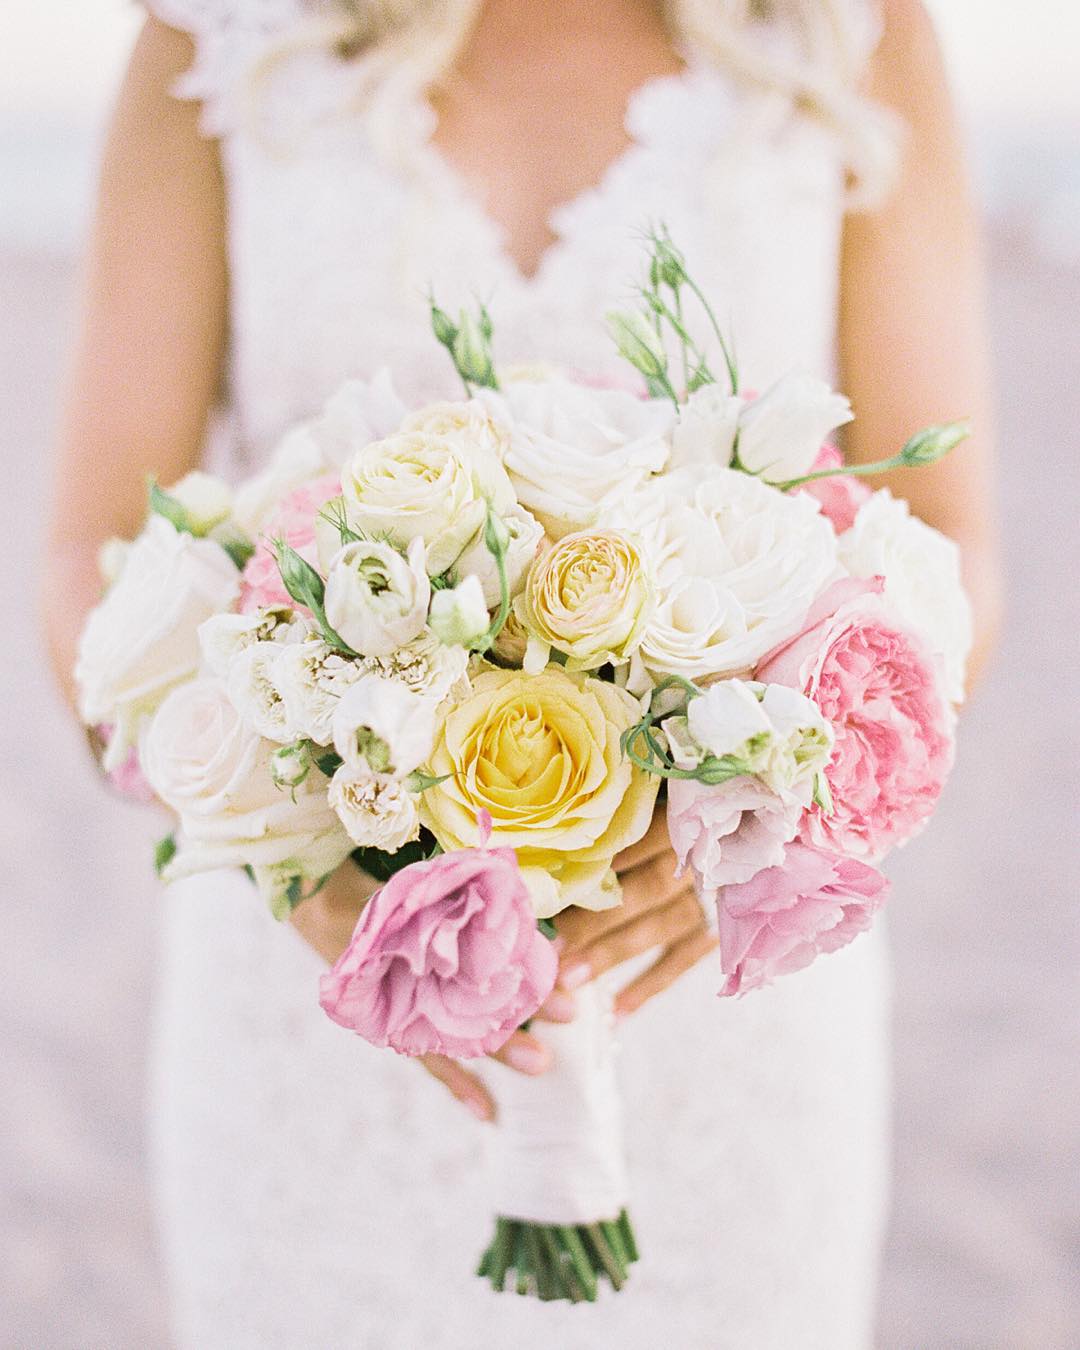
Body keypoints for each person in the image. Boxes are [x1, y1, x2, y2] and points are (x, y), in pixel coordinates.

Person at [43, 1, 1000, 1345]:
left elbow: (952, 545)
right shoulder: (217, 31)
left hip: (719, 988)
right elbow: (96, 544)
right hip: (316, 1005)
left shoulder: (850, 30)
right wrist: (304, 852)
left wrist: (774, 811)